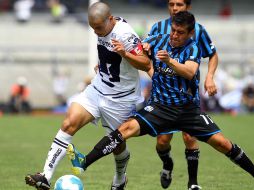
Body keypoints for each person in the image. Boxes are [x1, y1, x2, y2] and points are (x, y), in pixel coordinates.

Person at [67, 11, 254, 189]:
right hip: (159, 107)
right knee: (124, 130)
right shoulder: (158, 40)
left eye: (180, 33)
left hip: (187, 110)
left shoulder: (193, 47)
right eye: (173, 30)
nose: (174, 35)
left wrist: (169, 61)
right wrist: (109, 62)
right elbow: (138, 55)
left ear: (190, 33)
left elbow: (189, 72)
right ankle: (84, 162)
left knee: (223, 144)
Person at [25, 2, 150, 190]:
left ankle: (120, 178)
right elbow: (107, 49)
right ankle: (45, 176)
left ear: (110, 19)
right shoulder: (102, 28)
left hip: (121, 98)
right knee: (69, 122)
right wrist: (104, 63)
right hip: (98, 88)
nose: (95, 32)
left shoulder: (125, 34)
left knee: (117, 145)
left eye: (98, 28)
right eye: (93, 28)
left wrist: (125, 53)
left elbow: (145, 63)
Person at [142, 0, 219, 189]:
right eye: (171, 4)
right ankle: (167, 164)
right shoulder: (158, 28)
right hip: (163, 96)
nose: (175, 8)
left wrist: (209, 77)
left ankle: (193, 183)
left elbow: (213, 54)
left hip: (188, 93)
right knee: (162, 141)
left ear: (188, 7)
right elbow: (145, 56)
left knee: (189, 136)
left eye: (180, 4)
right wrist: (153, 73)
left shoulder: (197, 30)